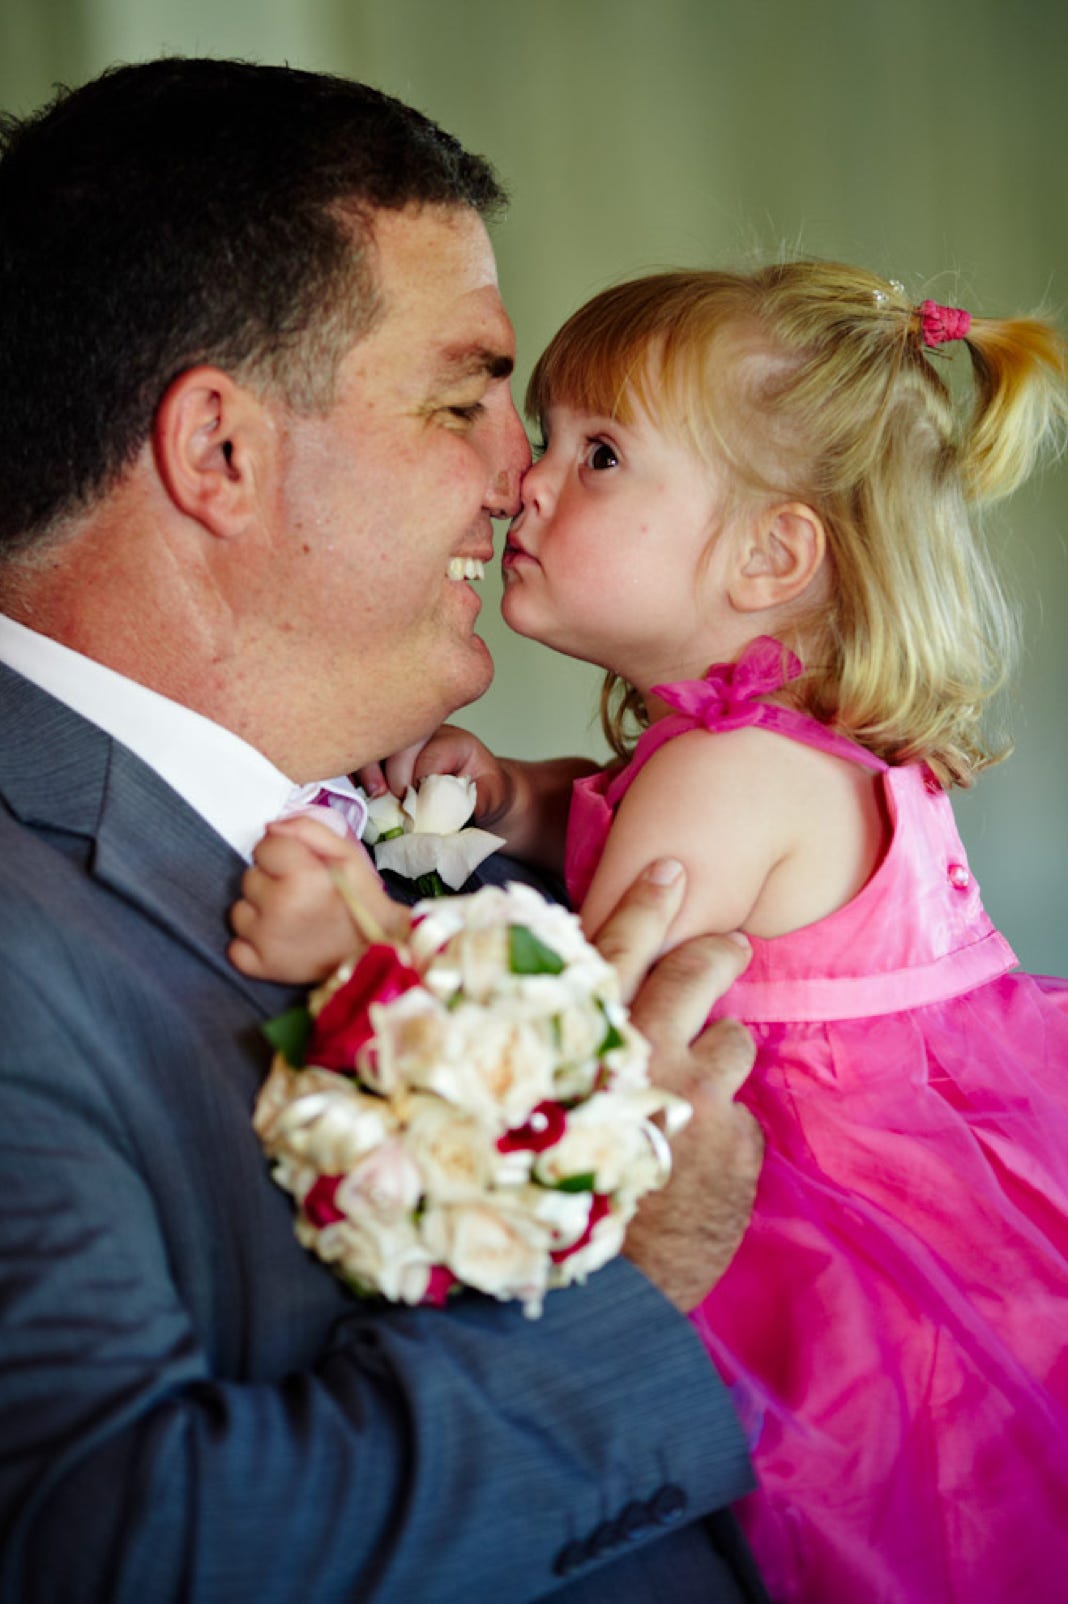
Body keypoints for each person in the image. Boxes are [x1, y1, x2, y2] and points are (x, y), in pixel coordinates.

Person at [0, 59, 770, 1604]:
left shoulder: (465, 852)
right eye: (466, 396)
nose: (521, 479)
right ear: (218, 452)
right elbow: (120, 1549)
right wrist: (623, 1278)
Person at [235, 262, 1068, 1603]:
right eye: (550, 435)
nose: (529, 482)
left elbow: (569, 1021)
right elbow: (617, 813)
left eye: (601, 454)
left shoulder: (721, 777)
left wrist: (358, 932)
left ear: (770, 555)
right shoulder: (777, 744)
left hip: (829, 1235)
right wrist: (521, 795)